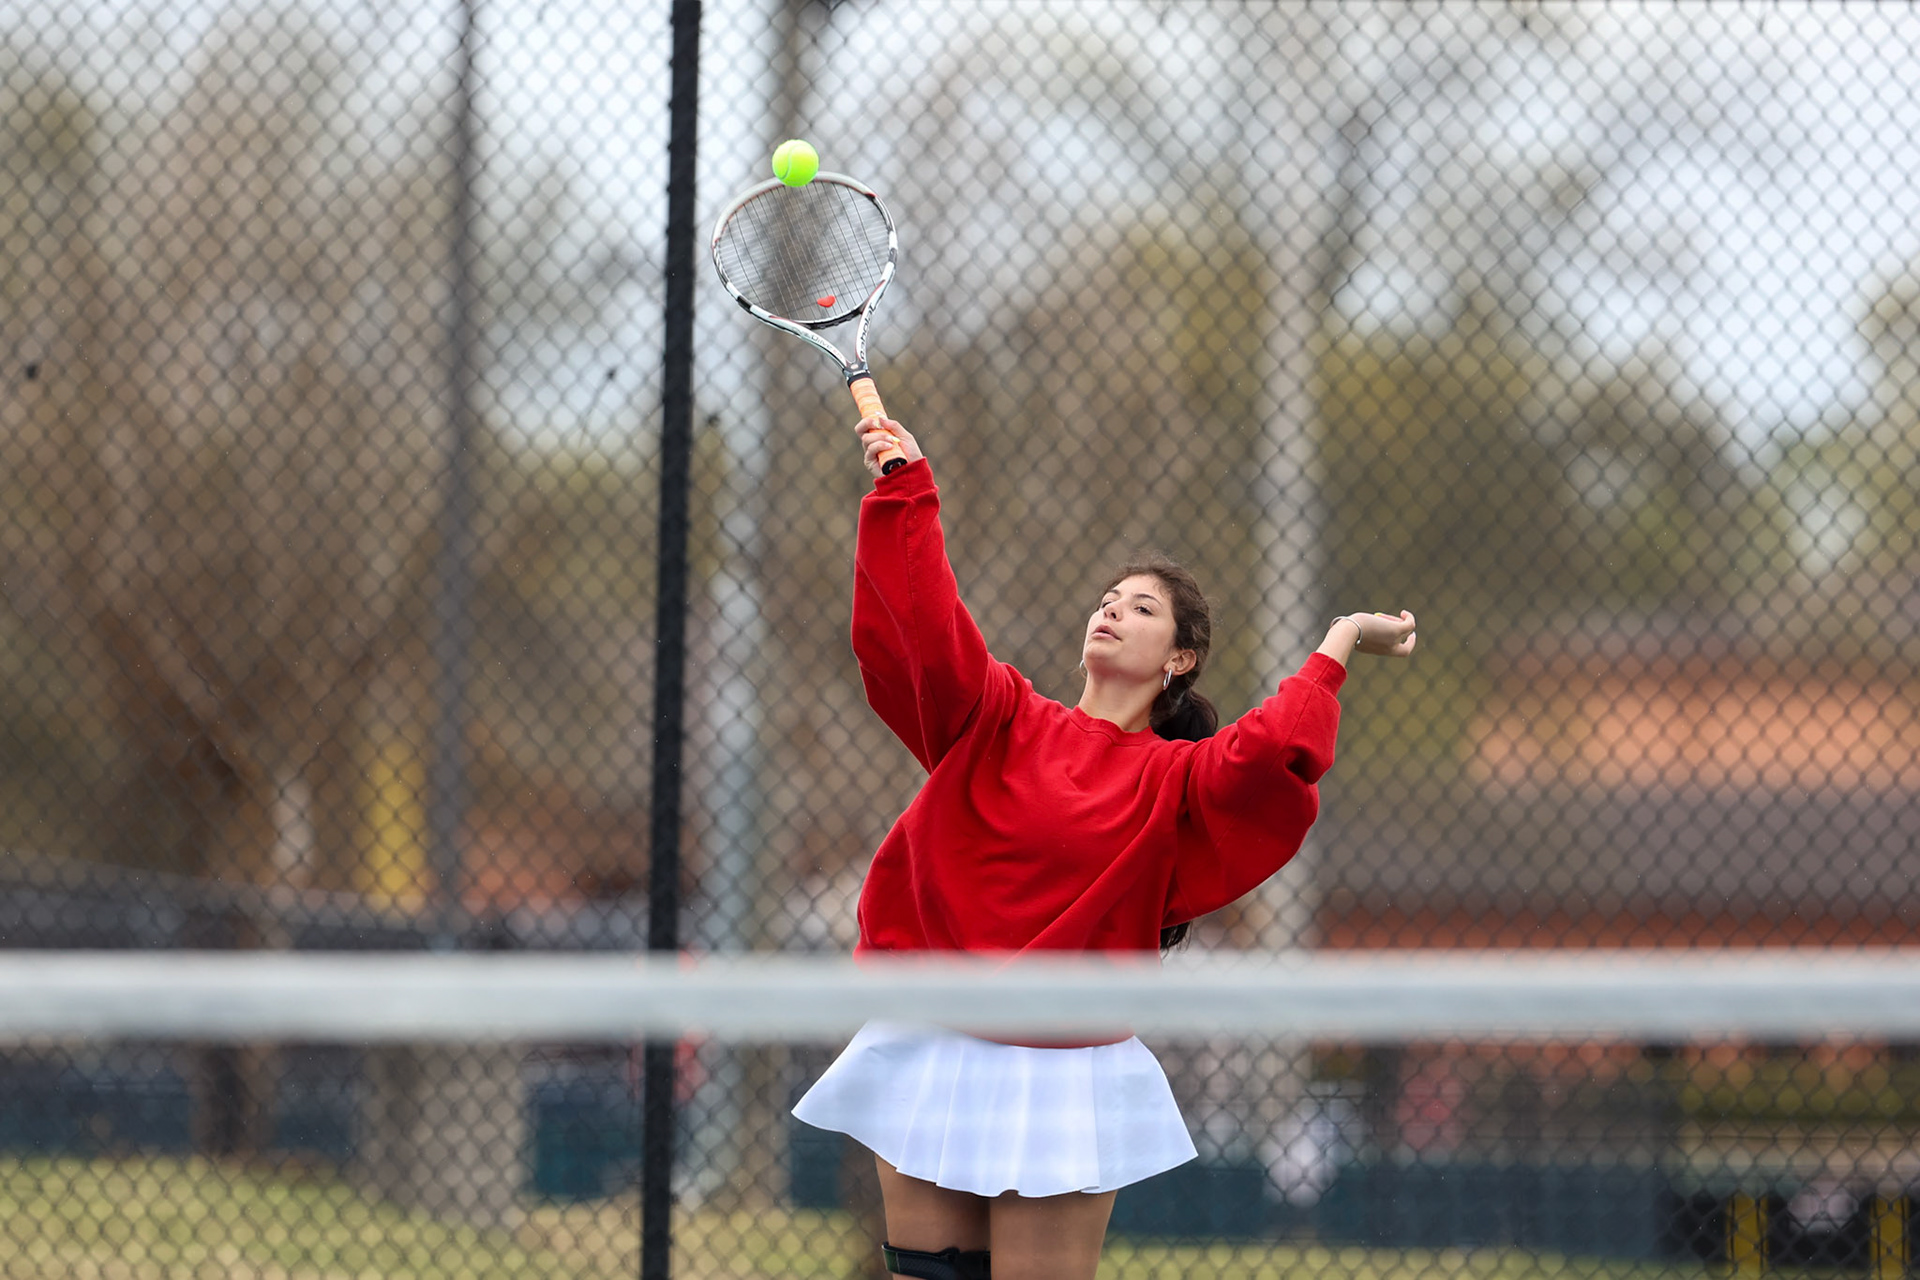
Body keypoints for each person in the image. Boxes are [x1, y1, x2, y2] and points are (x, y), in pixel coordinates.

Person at [793, 416, 1417, 1280]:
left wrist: (1340, 638)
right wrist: (906, 487)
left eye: (1142, 607)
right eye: (1107, 599)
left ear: (1180, 659)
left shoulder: (1177, 779)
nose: (1113, 610)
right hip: (930, 1035)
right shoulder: (999, 717)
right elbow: (924, 628)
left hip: (1062, 1069)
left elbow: (1271, 753)